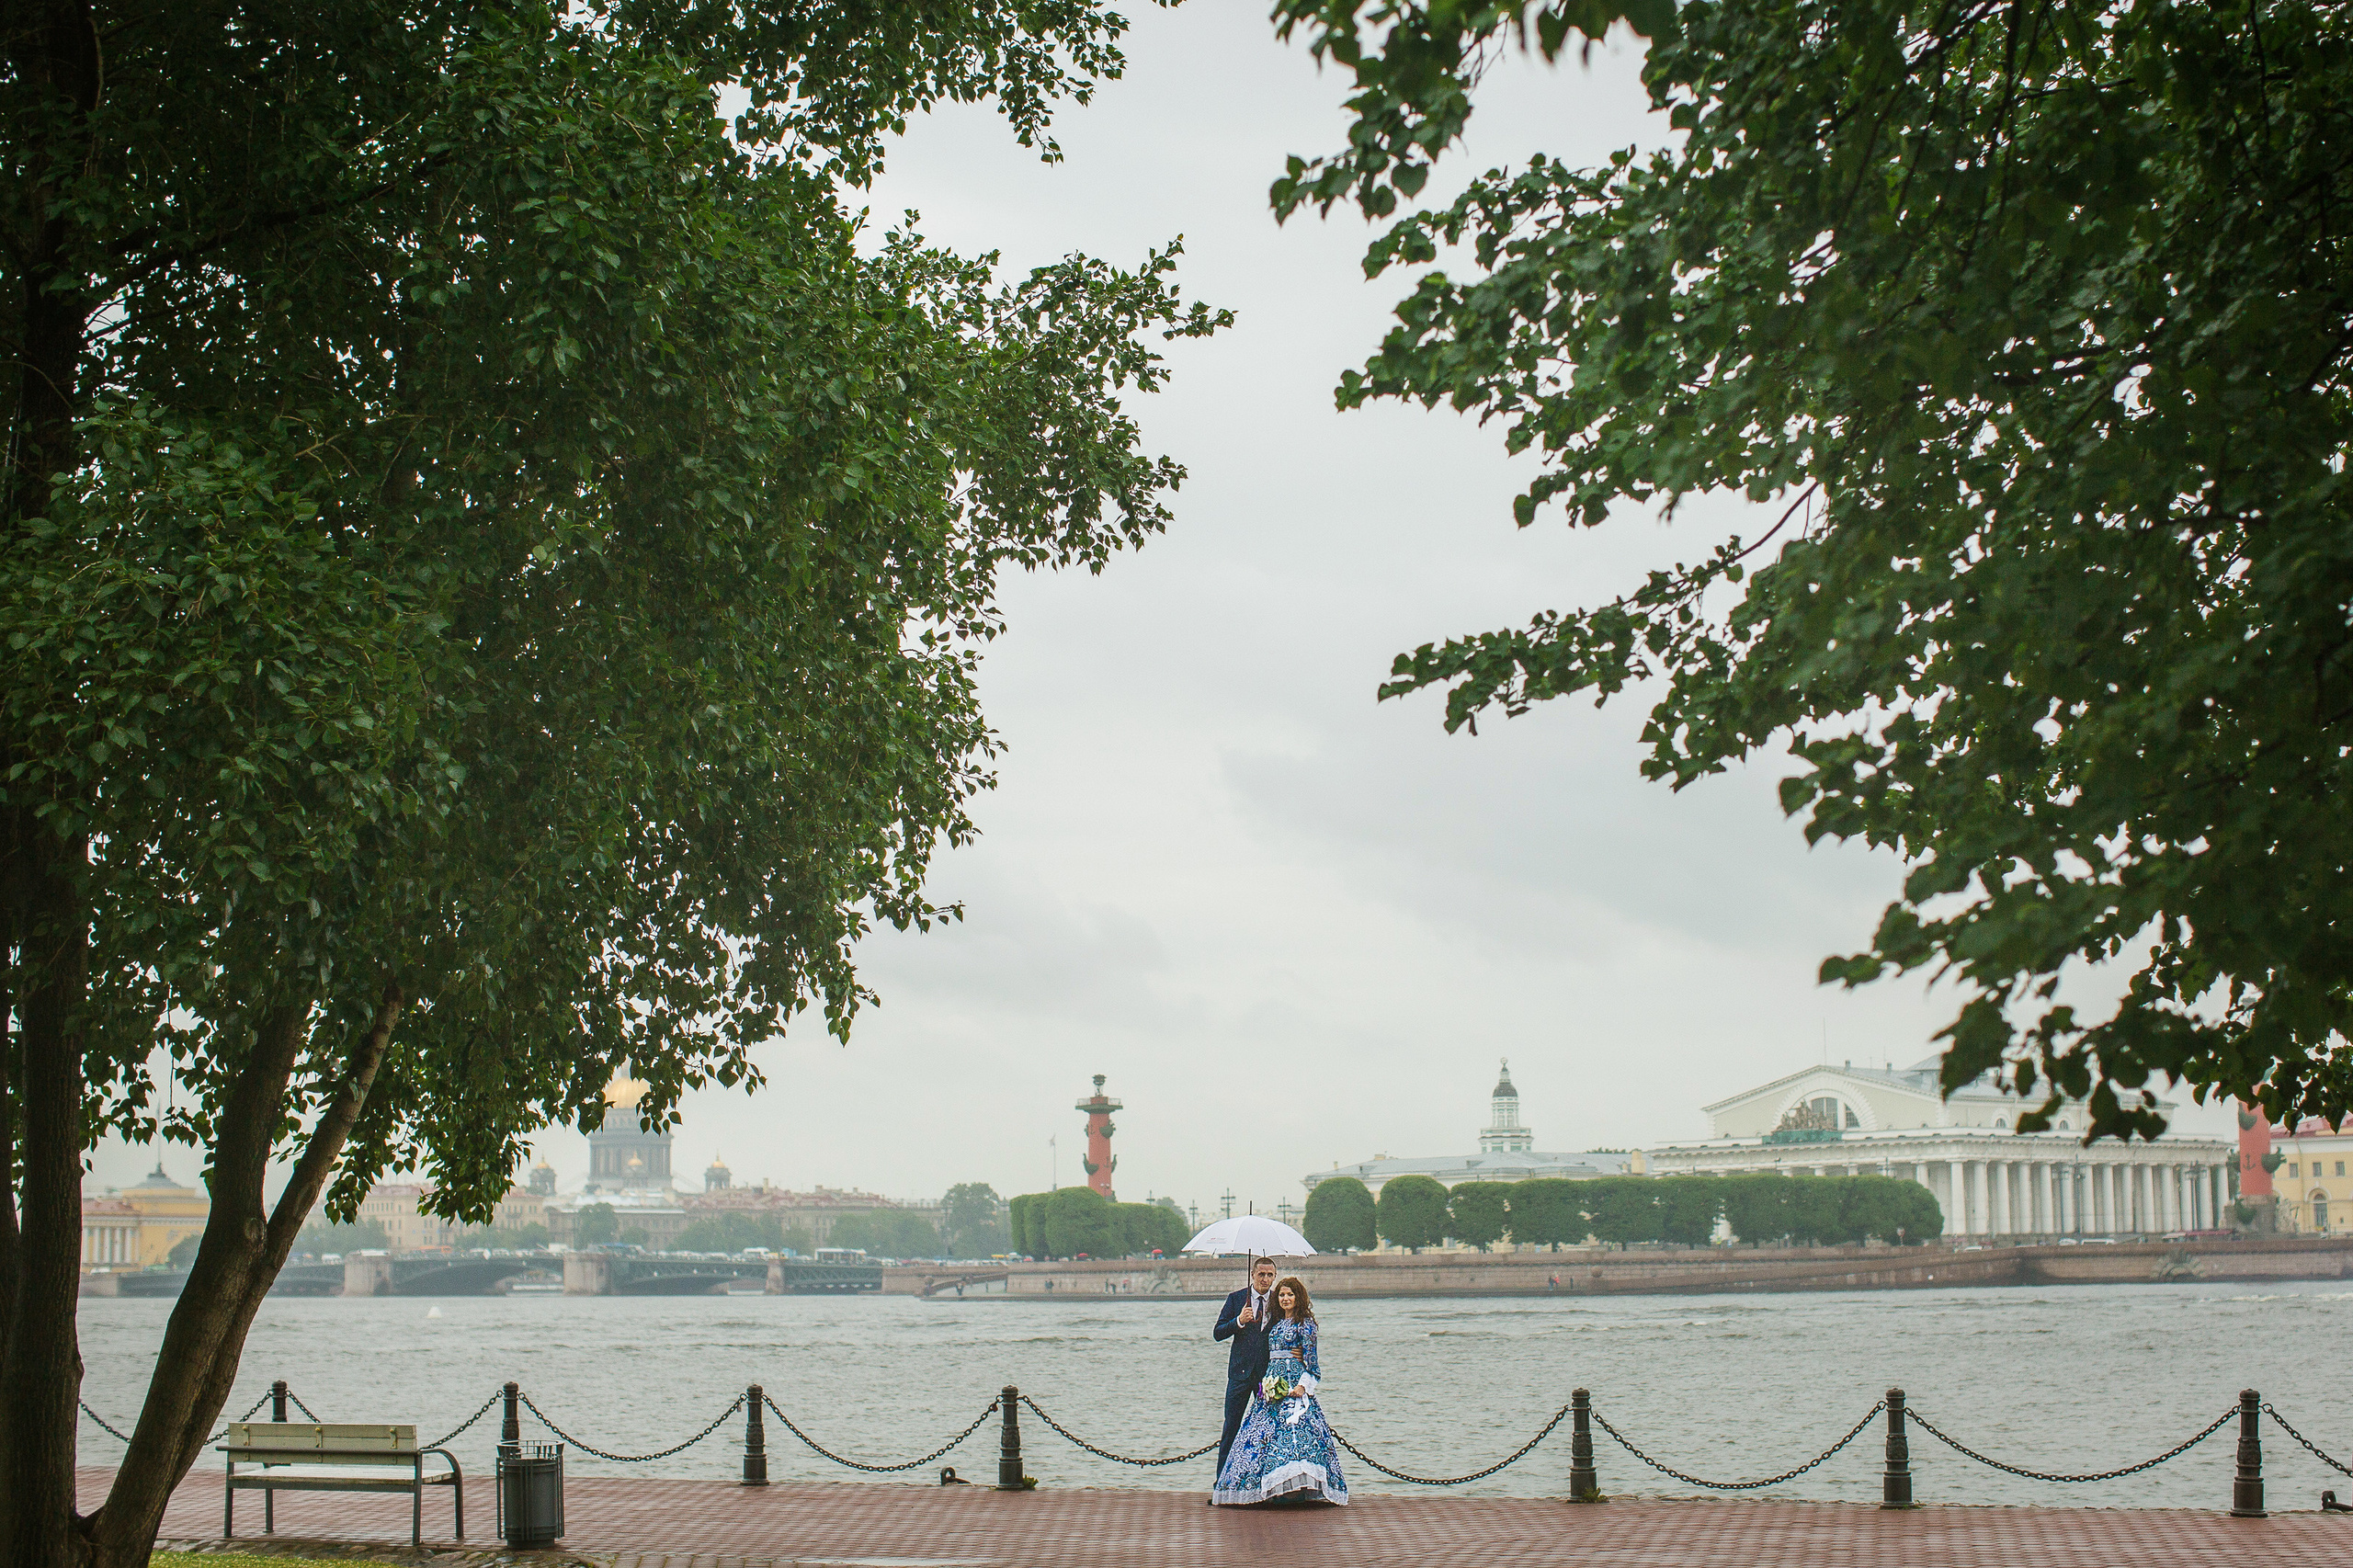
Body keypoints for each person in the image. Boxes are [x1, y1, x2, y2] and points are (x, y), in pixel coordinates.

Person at [1211, 1276, 1348, 1506]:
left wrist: (1302, 1385)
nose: (1285, 1299)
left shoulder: (1305, 1323)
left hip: (1293, 1384)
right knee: (1260, 1435)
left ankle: (1296, 1487)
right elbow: (1223, 1333)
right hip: (1271, 1381)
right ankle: (1265, 1486)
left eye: (1290, 1295)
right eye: (1282, 1295)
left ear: (1298, 1297)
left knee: (1294, 1434)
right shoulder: (1275, 1321)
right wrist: (1240, 1321)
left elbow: (1313, 1363)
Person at [1211, 1257, 1279, 1483]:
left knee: (1268, 1430)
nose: (1265, 1279)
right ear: (1252, 1274)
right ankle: (1222, 1483)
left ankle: (1263, 1483)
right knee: (1231, 1427)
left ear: (1275, 1277)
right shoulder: (1237, 1298)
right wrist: (1238, 1321)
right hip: (1239, 1375)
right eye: (1261, 1274)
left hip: (1267, 1378)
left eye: (1270, 1275)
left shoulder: (1280, 1301)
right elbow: (1218, 1332)